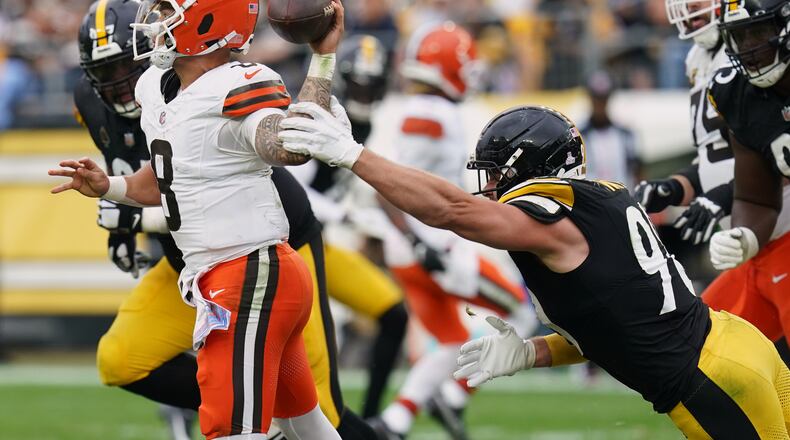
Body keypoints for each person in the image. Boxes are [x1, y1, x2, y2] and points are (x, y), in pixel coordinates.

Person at [277, 101, 790, 438]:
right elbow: (615, 324)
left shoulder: (553, 215)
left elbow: (454, 212)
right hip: (736, 349)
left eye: (499, 173)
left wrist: (353, 156)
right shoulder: (600, 200)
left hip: (709, 380)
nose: (492, 187)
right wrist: (531, 353)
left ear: (529, 168)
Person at [51, 0, 348, 438]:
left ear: (211, 24)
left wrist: (322, 59)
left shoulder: (238, 83)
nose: (157, 22)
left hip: (248, 273)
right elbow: (167, 177)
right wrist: (110, 188)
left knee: (231, 428)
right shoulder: (155, 85)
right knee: (305, 424)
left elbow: (289, 148)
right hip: (229, 274)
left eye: (170, 11)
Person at [365, 23, 530, 440]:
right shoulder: (430, 114)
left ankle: (394, 422)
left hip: (409, 252)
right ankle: (453, 397)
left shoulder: (416, 110)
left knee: (453, 339)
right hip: (432, 249)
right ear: (448, 67)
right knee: (521, 311)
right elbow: (390, 186)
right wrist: (420, 240)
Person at [290, 33, 409, 421]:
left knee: (394, 312)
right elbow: (290, 188)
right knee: (316, 358)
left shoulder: (371, 124)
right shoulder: (316, 112)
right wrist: (344, 215)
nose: (364, 92)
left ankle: (372, 417)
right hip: (287, 250)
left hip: (317, 244)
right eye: (357, 82)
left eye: (371, 84)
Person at [704, 0, 790, 361]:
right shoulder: (739, 94)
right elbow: (758, 198)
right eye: (740, 36)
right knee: (703, 353)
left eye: (759, 32)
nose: (749, 47)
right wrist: (746, 235)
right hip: (778, 247)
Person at [637, 0, 733, 246]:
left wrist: (724, 196)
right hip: (745, 236)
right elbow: (714, 158)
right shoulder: (697, 59)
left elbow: (776, 155)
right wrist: (671, 189)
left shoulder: (754, 51)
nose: (690, 4)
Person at [579, 71, 641, 190]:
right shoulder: (579, 138)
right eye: (596, 99)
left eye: (603, 99)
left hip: (623, 202)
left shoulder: (626, 135)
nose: (599, 105)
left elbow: (638, 170)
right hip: (590, 203)